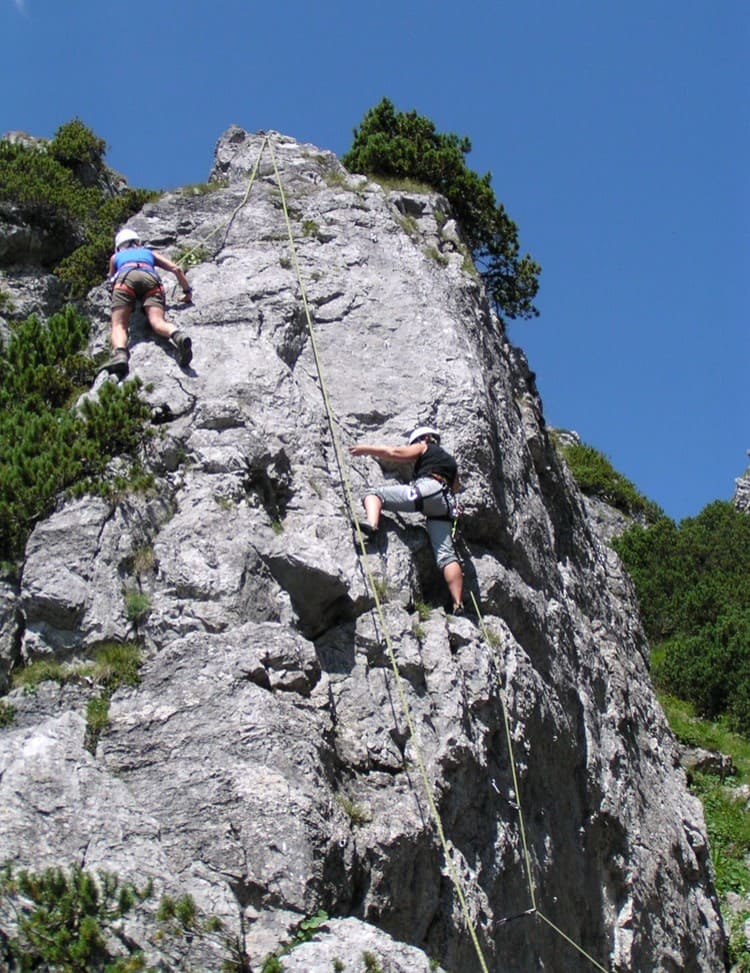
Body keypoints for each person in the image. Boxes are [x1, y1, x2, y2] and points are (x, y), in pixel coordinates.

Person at [349, 425, 464, 614]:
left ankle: (372, 525)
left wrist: (365, 449)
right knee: (446, 555)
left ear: (425, 438)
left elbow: (394, 452)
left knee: (374, 493)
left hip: (428, 489)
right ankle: (457, 602)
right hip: (445, 506)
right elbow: (456, 487)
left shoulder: (424, 446)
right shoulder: (451, 462)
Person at [101, 228, 194, 378]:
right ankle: (178, 336)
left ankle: (120, 355)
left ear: (119, 246)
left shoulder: (116, 257)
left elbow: (111, 281)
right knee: (157, 322)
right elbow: (176, 269)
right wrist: (187, 292)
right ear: (137, 242)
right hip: (151, 279)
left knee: (119, 325)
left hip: (125, 279)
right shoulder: (148, 253)